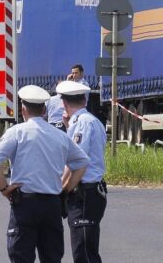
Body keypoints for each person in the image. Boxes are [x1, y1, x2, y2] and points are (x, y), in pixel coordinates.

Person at [0, 84, 87, 263]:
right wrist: (65, 190)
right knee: (52, 257)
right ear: (44, 110)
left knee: (21, 256)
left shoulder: (16, 132)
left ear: (23, 109)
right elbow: (82, 163)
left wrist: (4, 189)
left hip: (25, 202)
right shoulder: (60, 135)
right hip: (52, 204)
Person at [57, 80, 108, 263]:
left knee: (84, 252)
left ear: (64, 103)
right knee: (85, 248)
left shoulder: (82, 123)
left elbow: (76, 162)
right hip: (89, 192)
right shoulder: (89, 121)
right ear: (84, 100)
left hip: (84, 192)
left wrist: (62, 189)